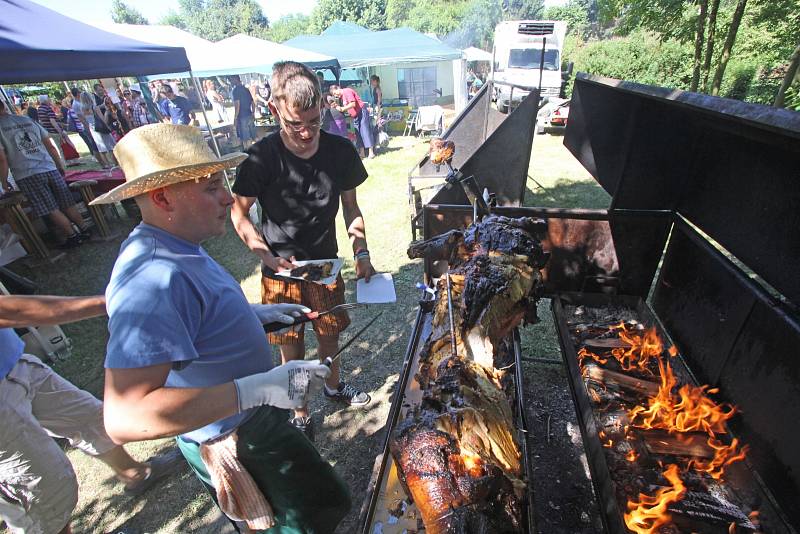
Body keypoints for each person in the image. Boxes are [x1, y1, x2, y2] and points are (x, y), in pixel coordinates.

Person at [90, 123, 351, 532]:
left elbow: (193, 318)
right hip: (239, 434)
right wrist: (256, 388)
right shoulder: (152, 278)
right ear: (162, 197)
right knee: (302, 522)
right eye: (211, 187)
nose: (228, 198)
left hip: (252, 421)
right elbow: (124, 417)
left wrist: (250, 316)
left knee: (325, 506)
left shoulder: (180, 244)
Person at [231, 62, 375, 439]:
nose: (307, 132)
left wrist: (361, 253)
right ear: (276, 110)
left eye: (314, 121)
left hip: (325, 266)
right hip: (280, 271)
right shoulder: (261, 157)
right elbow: (239, 214)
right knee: (290, 343)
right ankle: (299, 410)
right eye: (296, 124)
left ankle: (332, 386)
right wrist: (265, 255)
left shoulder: (340, 151)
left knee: (329, 332)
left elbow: (351, 208)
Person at [0, 294, 184, 534]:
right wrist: (110, 301)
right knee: (43, 488)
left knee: (89, 417)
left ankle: (136, 474)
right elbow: (10, 310)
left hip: (13, 362)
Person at [0, 100, 91, 248]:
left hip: (27, 173)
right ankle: (84, 229)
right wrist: (58, 164)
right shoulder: (26, 119)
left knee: (49, 207)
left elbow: (2, 159)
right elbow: (49, 145)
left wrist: (3, 181)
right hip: (49, 166)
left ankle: (73, 236)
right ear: (3, 106)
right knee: (66, 201)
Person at [330, 84, 375, 159]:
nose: (335, 95)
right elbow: (344, 108)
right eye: (333, 94)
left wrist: (343, 109)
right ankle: (362, 153)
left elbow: (353, 104)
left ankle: (371, 152)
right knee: (358, 133)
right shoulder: (341, 97)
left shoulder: (347, 91)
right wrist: (337, 107)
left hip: (361, 111)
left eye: (335, 93)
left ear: (338, 88)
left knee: (365, 131)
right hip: (355, 115)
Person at [69, 88, 109, 168]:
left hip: (91, 126)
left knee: (98, 145)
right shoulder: (75, 104)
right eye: (79, 92)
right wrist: (88, 128)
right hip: (87, 127)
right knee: (95, 146)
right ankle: (103, 164)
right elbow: (81, 118)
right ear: (77, 94)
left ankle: (104, 163)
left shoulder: (80, 102)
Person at [80, 91, 117, 167]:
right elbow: (102, 118)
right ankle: (115, 162)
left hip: (93, 129)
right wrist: (107, 125)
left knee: (101, 147)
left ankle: (106, 164)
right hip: (101, 127)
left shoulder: (83, 109)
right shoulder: (94, 107)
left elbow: (85, 120)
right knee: (110, 145)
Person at [35, 95, 70, 163]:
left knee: (59, 146)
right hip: (54, 130)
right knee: (62, 146)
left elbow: (43, 120)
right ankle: (66, 161)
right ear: (45, 100)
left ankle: (65, 160)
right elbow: (52, 121)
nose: (50, 99)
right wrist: (60, 131)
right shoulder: (48, 108)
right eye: (48, 98)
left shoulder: (40, 109)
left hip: (48, 130)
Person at [230, 75, 256, 148]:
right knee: (254, 136)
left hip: (242, 117)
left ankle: (249, 153)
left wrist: (235, 118)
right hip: (249, 114)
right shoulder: (246, 89)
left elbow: (237, 105)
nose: (231, 82)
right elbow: (253, 102)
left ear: (235, 80)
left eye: (231, 80)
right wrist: (253, 113)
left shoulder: (235, 91)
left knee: (246, 139)